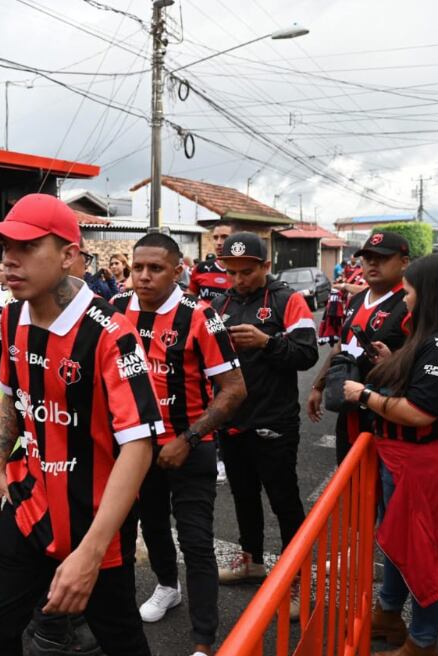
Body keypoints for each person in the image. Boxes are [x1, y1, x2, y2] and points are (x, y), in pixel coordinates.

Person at [0, 193, 162, 656]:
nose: (9, 260)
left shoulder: (111, 333)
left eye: (26, 247)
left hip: (96, 520)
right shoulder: (12, 315)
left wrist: (91, 553)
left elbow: (139, 444)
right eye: (5, 248)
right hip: (29, 503)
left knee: (121, 640)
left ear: (68, 255)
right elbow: (11, 395)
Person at [112, 233, 247, 656]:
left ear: (176, 271)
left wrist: (188, 439)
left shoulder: (201, 316)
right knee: (151, 526)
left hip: (189, 447)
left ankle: (203, 642)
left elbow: (234, 389)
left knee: (196, 541)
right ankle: (168, 587)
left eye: (155, 268)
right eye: (138, 268)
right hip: (137, 451)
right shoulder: (115, 309)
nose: (144, 276)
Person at [343, 255, 438, 656]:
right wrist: (394, 362)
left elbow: (421, 412)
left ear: (430, 293)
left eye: (408, 291)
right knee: (399, 542)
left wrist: (364, 396)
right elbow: (427, 383)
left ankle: (422, 642)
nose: (404, 299)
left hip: (423, 465)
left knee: (424, 556)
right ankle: (388, 614)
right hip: (410, 458)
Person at [210, 233, 317, 619]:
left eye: (247, 272)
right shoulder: (219, 303)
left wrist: (266, 342)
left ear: (266, 266)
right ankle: (251, 560)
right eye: (232, 272)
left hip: (274, 420)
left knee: (284, 501)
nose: (239, 280)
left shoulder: (288, 300)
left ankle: (298, 579)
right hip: (232, 419)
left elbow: (307, 354)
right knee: (243, 495)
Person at [308, 232, 411, 464]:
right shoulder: (357, 299)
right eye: (367, 258)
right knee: (348, 474)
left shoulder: (408, 302)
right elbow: (340, 347)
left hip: (385, 414)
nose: (373, 263)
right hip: (349, 410)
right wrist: (318, 386)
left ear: (404, 262)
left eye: (382, 258)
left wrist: (391, 362)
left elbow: (420, 358)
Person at [188, 222, 233, 303]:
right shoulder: (201, 268)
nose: (219, 242)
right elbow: (188, 299)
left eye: (224, 237)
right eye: (215, 238)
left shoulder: (244, 272)